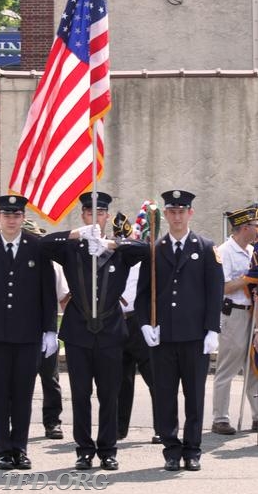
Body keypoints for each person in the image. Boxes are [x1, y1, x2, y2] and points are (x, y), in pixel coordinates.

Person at [41, 191, 150, 471]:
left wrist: (112, 244)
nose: (95, 217)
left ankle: (108, 449)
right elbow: (43, 244)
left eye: (100, 213)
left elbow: (145, 249)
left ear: (107, 216)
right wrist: (77, 234)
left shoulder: (119, 251)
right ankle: (84, 450)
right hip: (79, 331)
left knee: (109, 394)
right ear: (84, 216)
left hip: (111, 331)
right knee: (80, 394)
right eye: (89, 214)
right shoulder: (72, 249)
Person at [0, 195, 58, 470]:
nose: (11, 219)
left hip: (27, 337)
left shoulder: (37, 247)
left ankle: (20, 448)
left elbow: (47, 293)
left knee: (23, 395)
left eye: (16, 215)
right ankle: (3, 451)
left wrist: (50, 330)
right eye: (6, 214)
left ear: (23, 218)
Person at [136, 189, 224, 472]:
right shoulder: (155, 250)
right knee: (165, 395)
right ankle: (171, 449)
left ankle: (193, 449)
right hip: (164, 338)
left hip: (195, 337)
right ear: (165, 214)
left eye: (181, 211)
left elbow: (214, 292)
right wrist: (144, 324)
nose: (176, 216)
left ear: (190, 213)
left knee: (194, 395)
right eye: (171, 211)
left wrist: (213, 329)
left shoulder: (206, 247)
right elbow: (142, 295)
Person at [112, 211, 160, 444]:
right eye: (118, 240)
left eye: (125, 241)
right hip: (116, 322)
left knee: (155, 377)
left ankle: (162, 427)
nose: (122, 246)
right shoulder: (110, 259)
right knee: (121, 380)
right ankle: (119, 429)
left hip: (138, 321)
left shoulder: (143, 259)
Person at [212, 206, 258, 435]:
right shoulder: (225, 251)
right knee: (229, 366)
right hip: (234, 313)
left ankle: (257, 415)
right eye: (256, 226)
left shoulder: (252, 251)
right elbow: (223, 287)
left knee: (254, 366)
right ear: (245, 228)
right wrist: (248, 279)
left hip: (254, 313)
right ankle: (220, 418)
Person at [22, 217, 69, 441]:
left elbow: (64, 299)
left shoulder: (52, 265)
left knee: (50, 380)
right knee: (19, 382)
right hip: (20, 333)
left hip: (45, 331)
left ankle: (53, 423)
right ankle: (16, 423)